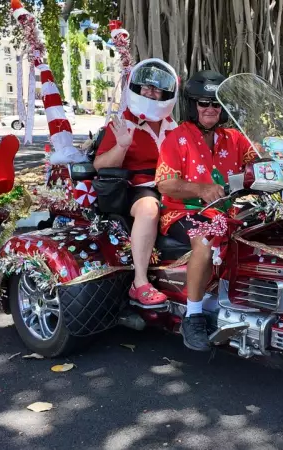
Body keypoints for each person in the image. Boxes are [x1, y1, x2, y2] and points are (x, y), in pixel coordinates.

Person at [156, 70, 258, 351]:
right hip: (182, 211)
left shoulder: (235, 138)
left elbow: (260, 159)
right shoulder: (177, 138)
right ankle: (194, 315)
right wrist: (201, 189)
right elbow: (165, 184)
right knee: (205, 238)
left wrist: (281, 160)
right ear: (192, 106)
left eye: (216, 103)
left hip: (225, 211)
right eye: (203, 103)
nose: (210, 109)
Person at [94, 59, 179, 308]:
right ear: (136, 88)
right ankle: (139, 282)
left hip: (173, 185)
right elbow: (100, 165)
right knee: (149, 208)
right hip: (138, 187)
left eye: (156, 89)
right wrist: (122, 145)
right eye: (145, 88)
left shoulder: (176, 127)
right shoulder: (122, 123)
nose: (150, 93)